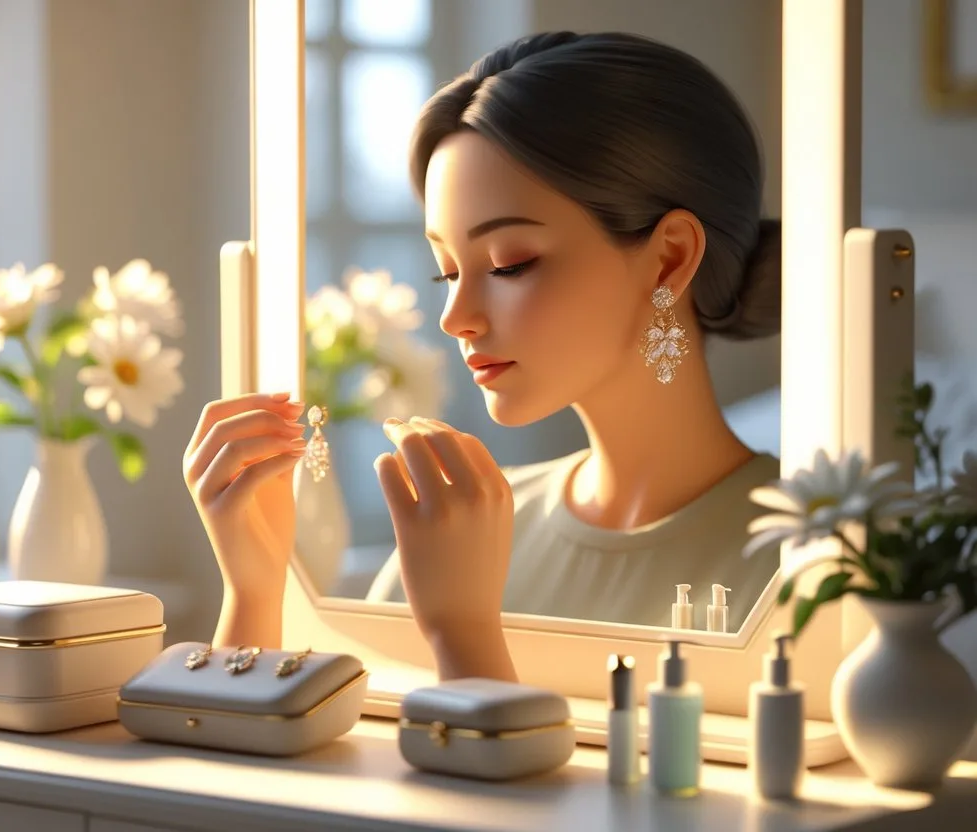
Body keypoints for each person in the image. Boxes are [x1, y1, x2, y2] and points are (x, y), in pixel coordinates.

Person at [184, 31, 782, 682]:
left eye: (508, 264)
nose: (453, 317)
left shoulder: (820, 554)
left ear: (668, 258)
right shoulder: (467, 527)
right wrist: (255, 588)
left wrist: (464, 633)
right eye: (446, 272)